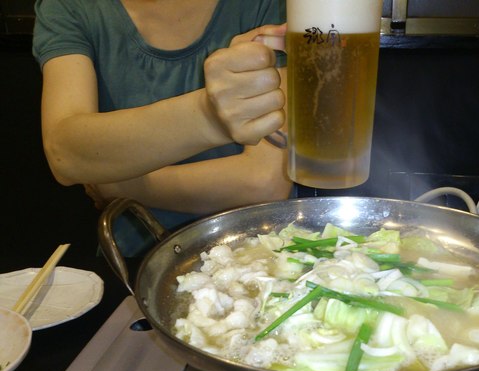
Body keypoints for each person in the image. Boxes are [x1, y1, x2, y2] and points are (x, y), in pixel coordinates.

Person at [32, 0, 291, 256]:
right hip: (136, 258)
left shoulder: (268, 5)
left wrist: (115, 187)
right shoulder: (71, 7)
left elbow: (264, 182)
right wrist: (209, 115)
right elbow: (64, 152)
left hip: (263, 255)